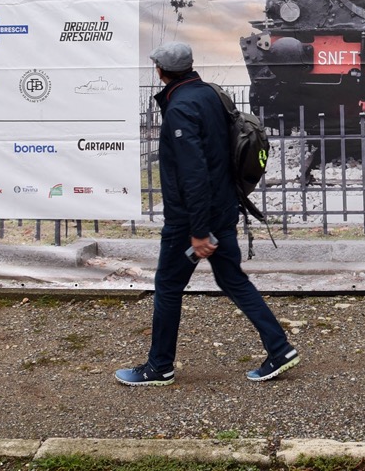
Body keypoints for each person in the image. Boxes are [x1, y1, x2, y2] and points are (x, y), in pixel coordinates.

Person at [115, 41, 300, 386]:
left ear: (161, 72)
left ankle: (160, 367)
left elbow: (193, 172)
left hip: (193, 220)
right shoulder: (211, 95)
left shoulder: (181, 108)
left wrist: (198, 231)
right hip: (223, 207)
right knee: (233, 280)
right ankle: (280, 348)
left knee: (168, 285)